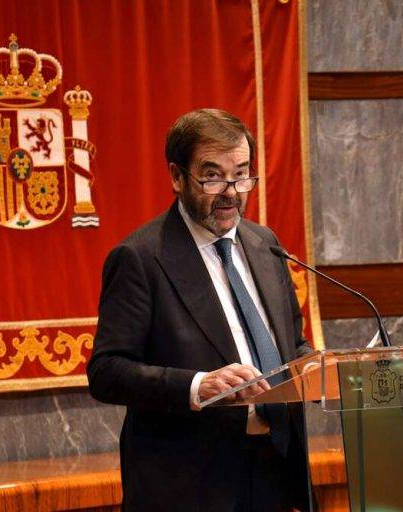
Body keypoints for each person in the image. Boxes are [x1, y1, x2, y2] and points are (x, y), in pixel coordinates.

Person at [87, 108, 313, 511]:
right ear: (177, 177)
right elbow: (107, 373)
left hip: (274, 473)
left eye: (242, 174)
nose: (232, 192)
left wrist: (315, 367)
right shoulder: (141, 258)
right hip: (191, 485)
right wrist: (198, 386)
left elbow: (291, 344)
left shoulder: (265, 244)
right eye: (213, 176)